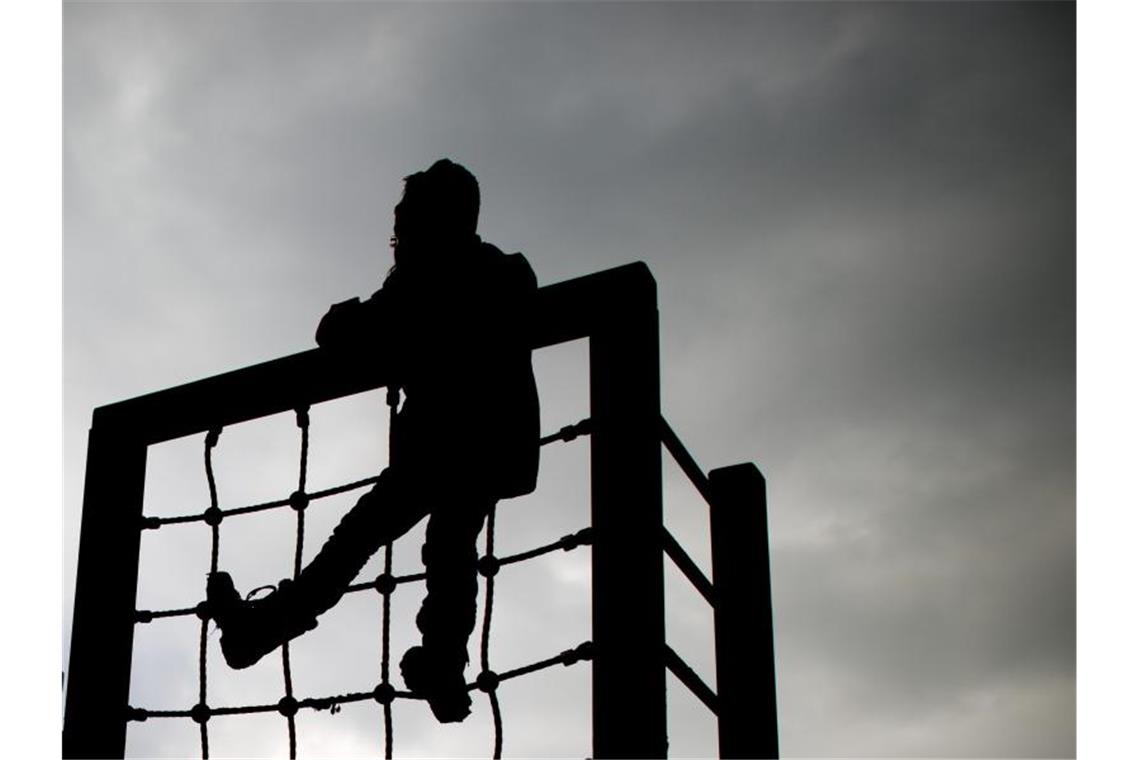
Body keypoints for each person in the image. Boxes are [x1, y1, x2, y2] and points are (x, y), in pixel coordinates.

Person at [206, 159, 540, 723]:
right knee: (448, 544)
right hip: (489, 443)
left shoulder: (425, 281)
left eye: (405, 224)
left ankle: (263, 632)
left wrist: (355, 311)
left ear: (427, 224)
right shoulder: (501, 272)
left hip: (441, 445)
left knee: (360, 545)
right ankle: (441, 661)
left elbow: (344, 333)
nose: (397, 237)